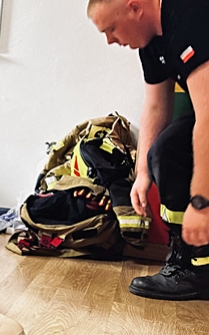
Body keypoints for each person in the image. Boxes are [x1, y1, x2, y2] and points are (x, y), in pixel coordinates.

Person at [88, 0, 209, 300]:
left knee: (175, 152)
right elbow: (155, 107)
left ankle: (201, 270)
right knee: (164, 152)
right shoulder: (152, 44)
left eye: (112, 28)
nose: (110, 40)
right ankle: (186, 262)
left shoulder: (189, 16)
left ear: (134, 7)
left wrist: (201, 202)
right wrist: (141, 172)